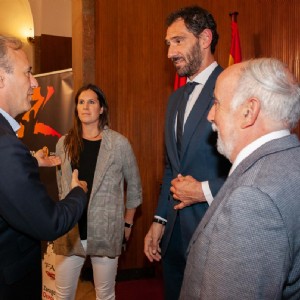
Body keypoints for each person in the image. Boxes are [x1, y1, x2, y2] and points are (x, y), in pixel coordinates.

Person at [179, 58, 300, 299]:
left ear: (248, 111)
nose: (210, 116)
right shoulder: (290, 160)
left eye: (216, 103)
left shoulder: (253, 200)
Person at [144, 6, 230, 299]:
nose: (170, 53)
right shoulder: (175, 99)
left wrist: (204, 191)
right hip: (174, 242)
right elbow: (172, 166)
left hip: (215, 236)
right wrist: (160, 220)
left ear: (205, 38)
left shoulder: (233, 88)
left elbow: (252, 170)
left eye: (178, 41)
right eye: (168, 44)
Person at [0, 35, 88, 300]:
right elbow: (50, 222)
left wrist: (27, 161)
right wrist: (78, 192)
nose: (34, 83)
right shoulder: (6, 147)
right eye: (27, 73)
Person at [54, 83, 142, 300]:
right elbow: (61, 187)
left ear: (101, 108)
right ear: (76, 108)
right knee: (61, 295)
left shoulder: (119, 144)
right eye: (81, 102)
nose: (85, 106)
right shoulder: (63, 144)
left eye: (91, 101)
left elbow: (135, 186)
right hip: (70, 230)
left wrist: (128, 222)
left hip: (105, 229)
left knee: (105, 295)